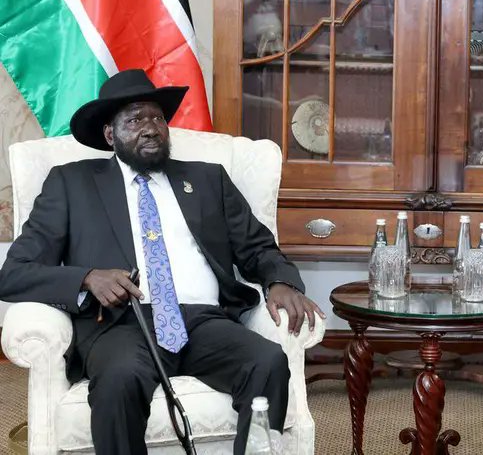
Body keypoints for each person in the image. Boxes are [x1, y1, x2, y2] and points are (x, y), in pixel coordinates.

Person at [0, 69, 325, 455]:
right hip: (122, 325)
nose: (151, 128)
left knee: (268, 360)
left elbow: (259, 249)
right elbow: (14, 273)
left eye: (157, 117)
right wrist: (86, 277)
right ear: (110, 135)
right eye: (135, 119)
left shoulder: (208, 180)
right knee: (119, 379)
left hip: (204, 321)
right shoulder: (72, 184)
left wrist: (280, 281)